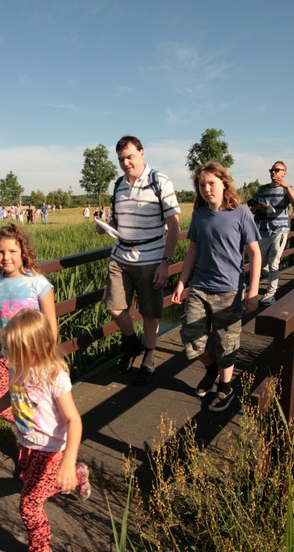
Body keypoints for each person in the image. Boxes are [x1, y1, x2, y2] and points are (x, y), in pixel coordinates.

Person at [0, 309, 90, 552]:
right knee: (42, 487)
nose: (9, 357)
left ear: (34, 349)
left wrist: (66, 461)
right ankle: (78, 474)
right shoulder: (19, 366)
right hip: (28, 445)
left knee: (29, 505)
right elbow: (12, 394)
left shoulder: (53, 376)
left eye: (14, 351)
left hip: (52, 452)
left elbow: (74, 421)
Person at [171, 162, 262, 412]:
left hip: (229, 290)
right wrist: (181, 283)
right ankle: (211, 369)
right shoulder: (199, 215)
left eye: (211, 183)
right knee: (192, 336)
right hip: (200, 287)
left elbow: (255, 252)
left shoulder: (241, 213)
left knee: (226, 342)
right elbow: (192, 251)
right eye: (201, 185)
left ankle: (225, 386)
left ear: (224, 183)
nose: (206, 189)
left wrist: (253, 290)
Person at [96, 135, 181, 384]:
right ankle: (132, 342)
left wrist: (165, 261)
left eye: (130, 157)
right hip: (120, 256)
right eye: (121, 159)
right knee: (114, 307)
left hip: (151, 258)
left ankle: (149, 356)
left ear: (142, 153)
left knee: (150, 312)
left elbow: (174, 226)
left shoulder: (160, 181)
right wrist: (105, 227)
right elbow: (117, 221)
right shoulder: (118, 185)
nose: (126, 163)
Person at [0, 224, 58, 423]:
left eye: (12, 251)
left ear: (23, 253)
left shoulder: (37, 283)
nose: (6, 257)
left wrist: (48, 353)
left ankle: (39, 433)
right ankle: (29, 431)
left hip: (32, 354)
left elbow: (50, 322)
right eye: (0, 252)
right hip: (6, 355)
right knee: (0, 404)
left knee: (31, 402)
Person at [252, 161, 294, 305]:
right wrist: (259, 207)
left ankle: (270, 294)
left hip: (280, 229)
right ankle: (274, 277)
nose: (273, 172)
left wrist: (286, 187)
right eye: (271, 170)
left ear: (284, 173)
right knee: (261, 264)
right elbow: (252, 208)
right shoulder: (262, 189)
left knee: (274, 263)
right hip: (263, 230)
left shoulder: (288, 189)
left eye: (277, 170)